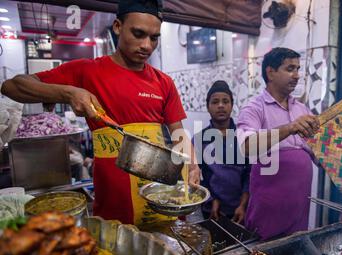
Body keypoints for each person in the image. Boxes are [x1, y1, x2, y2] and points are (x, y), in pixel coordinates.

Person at [1, 0, 200, 227]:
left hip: (162, 197)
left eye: (154, 38)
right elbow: (12, 86)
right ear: (117, 26)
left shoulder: (164, 82)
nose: (146, 45)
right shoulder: (87, 71)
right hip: (115, 206)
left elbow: (178, 133)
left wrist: (193, 165)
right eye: (138, 34)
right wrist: (68, 93)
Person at [236, 47, 320, 240]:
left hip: (299, 208)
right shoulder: (254, 108)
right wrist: (289, 128)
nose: (297, 75)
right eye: (290, 69)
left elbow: (319, 151)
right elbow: (247, 146)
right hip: (269, 208)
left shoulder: (302, 109)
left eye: (298, 69)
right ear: (271, 72)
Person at [193, 80, 250, 223]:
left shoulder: (244, 137)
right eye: (215, 102)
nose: (220, 106)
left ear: (232, 105)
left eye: (225, 101)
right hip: (211, 209)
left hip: (241, 209)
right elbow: (197, 176)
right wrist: (211, 200)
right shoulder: (199, 139)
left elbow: (249, 174)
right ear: (208, 106)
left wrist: (243, 204)